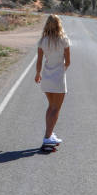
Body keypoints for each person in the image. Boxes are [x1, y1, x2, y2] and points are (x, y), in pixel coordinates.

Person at [34, 15, 71, 146]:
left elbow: (39, 61)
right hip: (58, 79)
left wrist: (38, 74)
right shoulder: (64, 40)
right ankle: (47, 137)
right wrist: (61, 71)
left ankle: (50, 133)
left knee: (51, 107)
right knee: (56, 109)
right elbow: (68, 61)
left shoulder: (43, 41)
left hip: (46, 77)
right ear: (58, 24)